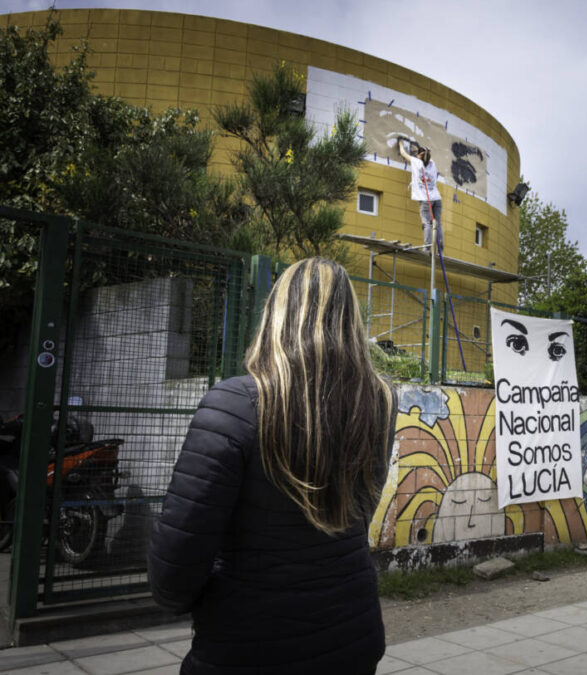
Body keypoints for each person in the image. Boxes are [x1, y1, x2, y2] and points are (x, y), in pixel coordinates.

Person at [148, 258, 398, 675]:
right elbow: (358, 514)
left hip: (249, 647)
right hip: (352, 637)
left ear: (276, 314)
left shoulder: (234, 404)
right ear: (352, 322)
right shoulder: (379, 403)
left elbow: (173, 570)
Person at [398, 139, 442, 250]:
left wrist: (400, 144)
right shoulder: (432, 163)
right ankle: (440, 246)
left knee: (427, 223)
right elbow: (428, 157)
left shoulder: (416, 162)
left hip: (425, 199)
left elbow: (403, 153)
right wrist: (424, 152)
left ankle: (427, 247)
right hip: (436, 198)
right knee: (437, 223)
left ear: (419, 156)